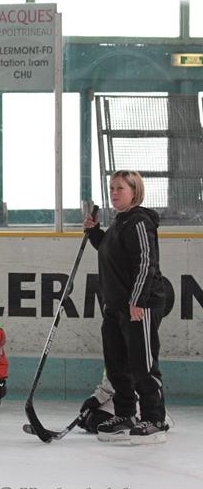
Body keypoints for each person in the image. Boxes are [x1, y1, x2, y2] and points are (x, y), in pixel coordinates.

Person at [85, 170, 169, 444]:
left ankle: (154, 419)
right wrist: (94, 233)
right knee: (117, 364)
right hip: (115, 305)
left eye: (120, 188)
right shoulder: (120, 223)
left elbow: (146, 262)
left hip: (138, 305)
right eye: (111, 188)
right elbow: (111, 253)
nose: (114, 193)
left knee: (142, 363)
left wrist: (137, 299)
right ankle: (125, 415)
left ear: (135, 191)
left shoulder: (140, 221)